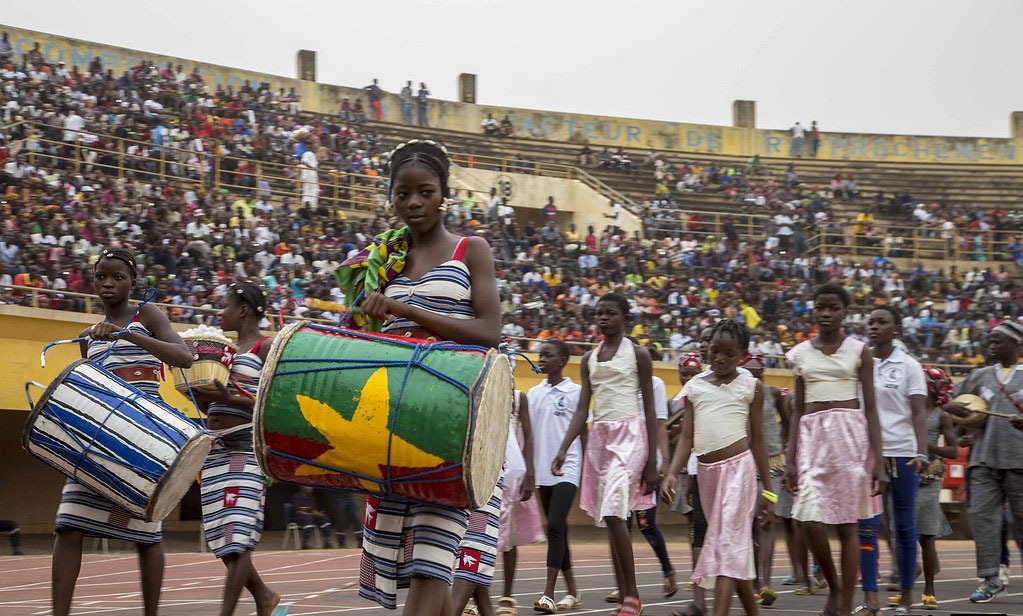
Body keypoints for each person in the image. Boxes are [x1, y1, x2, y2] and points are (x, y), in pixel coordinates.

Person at [341, 139, 501, 615]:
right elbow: (363, 336)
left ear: (443, 194)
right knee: (409, 565)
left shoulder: (472, 250)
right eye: (402, 193)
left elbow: (490, 331)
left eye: (425, 192)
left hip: (449, 422)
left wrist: (402, 307)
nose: (413, 203)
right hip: (393, 422)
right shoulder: (381, 260)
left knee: (433, 561)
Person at [52, 248, 194, 616]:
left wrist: (128, 336)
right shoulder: (87, 336)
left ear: (133, 281)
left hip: (144, 437)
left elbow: (184, 357)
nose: (108, 284)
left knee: (146, 536)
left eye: (117, 277)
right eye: (101, 277)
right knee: (68, 525)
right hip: (99, 441)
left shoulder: (146, 314)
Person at [552, 293, 660, 616]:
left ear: (625, 318)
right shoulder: (589, 360)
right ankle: (626, 592)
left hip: (630, 435)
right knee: (612, 519)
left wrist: (653, 461)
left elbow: (652, 409)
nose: (603, 318)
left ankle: (633, 596)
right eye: (599, 313)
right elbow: (583, 407)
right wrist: (563, 447)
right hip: (600, 437)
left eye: (610, 313)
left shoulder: (639, 355)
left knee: (614, 513)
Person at [784, 283, 885, 616]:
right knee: (810, 522)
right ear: (813, 310)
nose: (826, 313)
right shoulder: (799, 354)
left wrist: (878, 461)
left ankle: (843, 602)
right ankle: (834, 586)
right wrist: (790, 459)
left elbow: (870, 408)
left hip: (849, 438)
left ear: (845, 312)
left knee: (847, 524)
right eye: (820, 307)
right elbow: (797, 409)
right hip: (812, 439)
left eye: (833, 307)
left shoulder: (860, 351)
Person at [663, 319, 772, 616]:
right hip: (707, 476)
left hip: (740, 472)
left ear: (742, 355)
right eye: (714, 351)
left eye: (729, 353)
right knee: (731, 547)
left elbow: (759, 441)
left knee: (725, 545)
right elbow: (686, 436)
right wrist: (672, 472)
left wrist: (770, 492)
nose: (720, 358)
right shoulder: (694, 386)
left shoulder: (752, 386)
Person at [192, 280, 280, 615]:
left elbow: (274, 404)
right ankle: (264, 596)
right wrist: (203, 398)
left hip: (245, 449)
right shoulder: (223, 351)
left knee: (238, 536)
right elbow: (214, 409)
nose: (219, 312)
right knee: (224, 541)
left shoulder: (266, 347)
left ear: (243, 310)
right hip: (214, 452)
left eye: (224, 305)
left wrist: (230, 398)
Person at [853, 305, 929, 616]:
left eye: (882, 322)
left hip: (903, 454)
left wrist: (922, 451)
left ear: (895, 328)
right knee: (867, 527)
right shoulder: (859, 363)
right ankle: (870, 599)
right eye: (870, 321)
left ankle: (906, 597)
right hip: (868, 454)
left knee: (904, 527)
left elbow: (918, 413)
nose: (874, 326)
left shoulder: (910, 366)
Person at [943, 319, 1023, 604]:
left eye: (997, 340)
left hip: (1018, 461)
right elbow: (949, 398)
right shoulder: (980, 375)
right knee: (982, 518)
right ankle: (990, 578)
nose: (991, 344)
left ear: (1015, 343)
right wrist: (952, 410)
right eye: (990, 339)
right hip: (984, 460)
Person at [528, 340, 583, 613]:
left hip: (568, 468)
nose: (542, 358)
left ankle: (548, 594)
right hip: (541, 472)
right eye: (541, 354)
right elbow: (528, 436)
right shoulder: (534, 394)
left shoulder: (576, 392)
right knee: (558, 529)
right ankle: (572, 592)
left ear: (562, 360)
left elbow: (584, 431)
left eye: (548, 355)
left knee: (555, 525)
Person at [738, 354, 787, 608]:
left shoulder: (774, 393)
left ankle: (765, 582)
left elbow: (789, 423)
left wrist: (785, 449)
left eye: (758, 373)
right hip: (744, 464)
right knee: (748, 526)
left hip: (773, 464)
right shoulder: (735, 392)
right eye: (749, 372)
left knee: (767, 522)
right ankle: (754, 580)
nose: (754, 376)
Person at [491, 389, 545, 616]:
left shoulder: (518, 396)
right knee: (477, 536)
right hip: (483, 470)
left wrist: (530, 473)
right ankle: (474, 592)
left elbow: (529, 435)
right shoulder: (481, 387)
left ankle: (507, 595)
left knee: (509, 538)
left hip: (511, 473)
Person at [667, 353, 708, 616]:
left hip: (713, 462)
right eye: (684, 374)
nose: (688, 378)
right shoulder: (674, 403)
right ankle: (699, 583)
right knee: (694, 525)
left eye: (692, 373)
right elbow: (674, 436)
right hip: (687, 467)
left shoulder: (705, 391)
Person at [915, 367, 958, 610]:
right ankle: (905, 588)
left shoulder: (942, 416)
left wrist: (929, 445)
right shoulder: (910, 409)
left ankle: (929, 589)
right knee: (901, 532)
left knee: (926, 536)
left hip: (929, 478)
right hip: (907, 473)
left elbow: (953, 451)